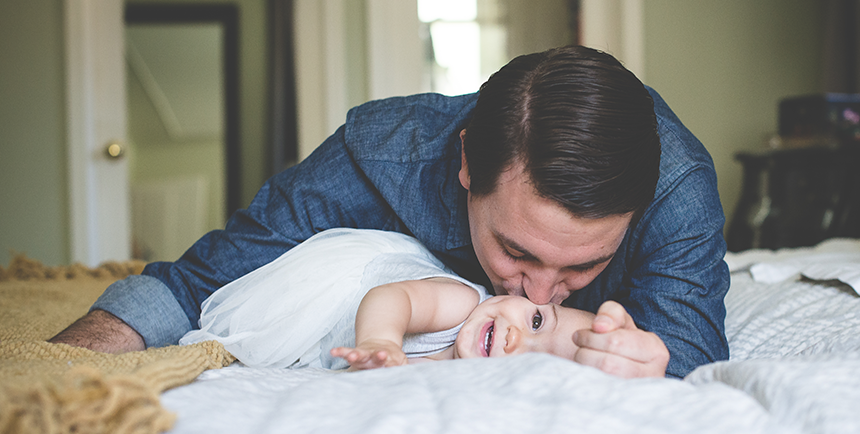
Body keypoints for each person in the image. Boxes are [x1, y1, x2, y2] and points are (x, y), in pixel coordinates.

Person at [51, 45, 730, 379]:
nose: (541, 293)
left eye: (584, 265)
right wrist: (53, 372)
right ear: (466, 166)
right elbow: (196, 280)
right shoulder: (379, 155)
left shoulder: (678, 191)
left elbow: (692, 363)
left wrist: (648, 362)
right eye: (517, 253)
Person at [177, 228, 601, 372]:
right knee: (260, 337)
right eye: (537, 323)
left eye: (532, 360)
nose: (514, 340)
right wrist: (381, 341)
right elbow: (391, 297)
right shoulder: (460, 304)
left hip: (356, 335)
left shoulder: (469, 374)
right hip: (345, 288)